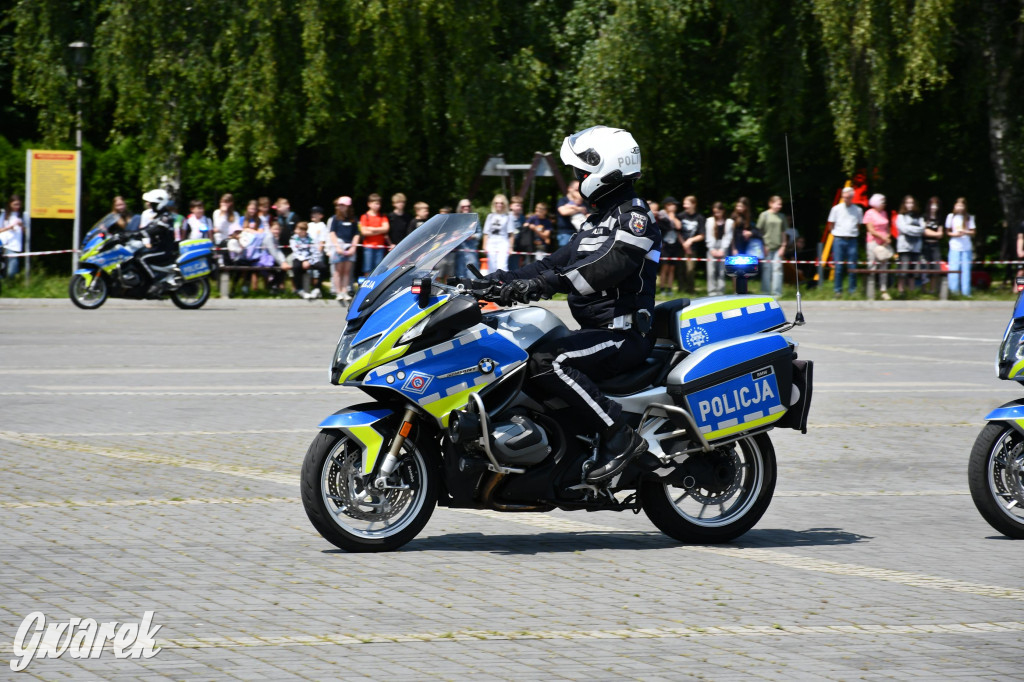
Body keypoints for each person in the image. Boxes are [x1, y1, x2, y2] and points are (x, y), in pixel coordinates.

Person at [464, 125, 660, 484]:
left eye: (582, 170)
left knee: (549, 360)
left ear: (606, 168)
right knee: (520, 354)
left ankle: (618, 435)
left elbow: (604, 268)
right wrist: (491, 283)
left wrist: (539, 286)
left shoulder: (634, 219)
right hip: (595, 332)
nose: (577, 178)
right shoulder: (596, 222)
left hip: (622, 334)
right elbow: (550, 265)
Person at [827, 186, 863, 298]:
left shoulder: (858, 210)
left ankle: (852, 291)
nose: (846, 199)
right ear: (842, 197)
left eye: (848, 197)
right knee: (838, 267)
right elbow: (830, 224)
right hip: (839, 239)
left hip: (852, 239)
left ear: (852, 197)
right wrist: (836, 233)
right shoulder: (836, 209)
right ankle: (838, 291)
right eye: (844, 197)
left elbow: (859, 225)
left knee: (852, 266)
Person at [756, 196, 789, 298]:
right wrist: (763, 245)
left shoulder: (782, 216)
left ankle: (777, 293)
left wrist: (783, 245)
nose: (780, 206)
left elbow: (784, 232)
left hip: (778, 247)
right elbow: (758, 232)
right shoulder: (764, 215)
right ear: (770, 203)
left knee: (778, 270)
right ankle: (765, 293)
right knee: (766, 269)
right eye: (778, 204)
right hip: (766, 247)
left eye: (780, 204)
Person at [327, 196, 359, 303]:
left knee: (346, 271)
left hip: (350, 246)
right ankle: (338, 292)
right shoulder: (335, 218)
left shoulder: (354, 219)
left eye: (343, 205)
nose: (340, 207)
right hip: (339, 245)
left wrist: (353, 247)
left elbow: (356, 234)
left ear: (348, 206)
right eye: (339, 205)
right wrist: (337, 246)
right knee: (338, 271)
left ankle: (345, 291)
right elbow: (332, 233)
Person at [864, 194, 894, 300]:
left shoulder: (884, 213)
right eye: (882, 202)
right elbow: (871, 230)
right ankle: (870, 292)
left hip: (883, 243)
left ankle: (883, 290)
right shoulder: (869, 213)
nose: (884, 204)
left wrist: (888, 237)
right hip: (873, 242)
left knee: (884, 267)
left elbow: (888, 228)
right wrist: (883, 237)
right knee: (872, 266)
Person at [946, 197, 976, 296]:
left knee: (966, 270)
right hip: (954, 246)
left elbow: (973, 232)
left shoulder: (969, 217)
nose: (959, 207)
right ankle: (953, 292)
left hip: (966, 247)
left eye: (961, 205)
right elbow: (948, 232)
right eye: (958, 205)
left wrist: (965, 232)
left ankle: (966, 292)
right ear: (955, 206)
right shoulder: (951, 216)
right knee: (954, 269)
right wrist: (955, 234)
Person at [895, 195, 925, 295]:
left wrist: (910, 229)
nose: (910, 205)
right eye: (907, 202)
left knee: (913, 272)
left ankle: (912, 292)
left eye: (912, 202)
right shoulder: (900, 216)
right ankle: (901, 291)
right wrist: (914, 230)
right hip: (904, 248)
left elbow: (922, 229)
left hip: (916, 248)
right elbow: (903, 229)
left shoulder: (919, 217)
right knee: (903, 271)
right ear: (904, 204)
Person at [512, 202, 553, 269]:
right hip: (529, 245)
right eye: (536, 210)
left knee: (538, 261)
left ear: (545, 211)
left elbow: (546, 235)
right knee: (527, 263)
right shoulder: (532, 218)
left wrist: (535, 229)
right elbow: (525, 227)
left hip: (540, 246)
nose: (537, 212)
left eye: (540, 210)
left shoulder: (547, 222)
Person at [705, 201, 734, 296]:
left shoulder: (729, 222)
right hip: (712, 247)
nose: (716, 214)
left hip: (723, 247)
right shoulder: (709, 221)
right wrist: (712, 249)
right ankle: (712, 292)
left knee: (722, 271)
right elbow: (708, 235)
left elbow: (728, 237)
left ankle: (721, 291)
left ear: (723, 211)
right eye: (715, 212)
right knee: (711, 271)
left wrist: (722, 250)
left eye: (718, 212)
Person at [677, 196, 704, 294]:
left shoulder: (699, 218)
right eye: (684, 204)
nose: (685, 206)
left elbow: (702, 235)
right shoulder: (680, 216)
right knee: (680, 270)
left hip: (692, 249)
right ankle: (681, 290)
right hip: (681, 247)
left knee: (690, 270)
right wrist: (684, 244)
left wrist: (690, 241)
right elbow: (677, 232)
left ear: (694, 204)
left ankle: (691, 290)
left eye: (687, 204)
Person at [290, 221, 323, 298]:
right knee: (296, 267)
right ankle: (299, 289)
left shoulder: (311, 239)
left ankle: (317, 288)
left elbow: (315, 251)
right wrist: (304, 260)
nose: (296, 231)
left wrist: (309, 261)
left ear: (304, 231)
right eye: (296, 229)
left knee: (323, 267)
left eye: (298, 229)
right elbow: (296, 251)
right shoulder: (293, 238)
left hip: (310, 259)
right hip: (299, 258)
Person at [482, 194, 514, 274]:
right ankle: (492, 285)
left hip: (503, 242)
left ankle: (503, 284)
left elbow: (511, 234)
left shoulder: (508, 216)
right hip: (491, 242)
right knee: (491, 266)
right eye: (496, 203)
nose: (499, 205)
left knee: (502, 266)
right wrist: (484, 246)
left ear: (504, 204)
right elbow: (486, 233)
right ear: (494, 204)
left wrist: (510, 247)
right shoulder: (490, 216)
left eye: (501, 203)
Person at [359, 193, 390, 275]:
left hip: (380, 246)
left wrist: (371, 229)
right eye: (376, 203)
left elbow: (386, 228)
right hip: (368, 247)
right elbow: (364, 232)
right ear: (369, 204)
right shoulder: (364, 216)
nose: (378, 206)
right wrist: (380, 230)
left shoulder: (383, 216)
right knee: (367, 269)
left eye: (379, 203)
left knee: (379, 269)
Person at [657, 196, 681, 297]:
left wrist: (673, 216)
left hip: (674, 244)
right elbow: (668, 227)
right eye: (673, 205)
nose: (675, 207)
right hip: (665, 245)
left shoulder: (675, 216)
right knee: (665, 267)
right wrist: (671, 216)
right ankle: (662, 288)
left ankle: (670, 288)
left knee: (672, 268)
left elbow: (679, 226)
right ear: (667, 206)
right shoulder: (661, 216)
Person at [555, 180, 587, 248]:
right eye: (576, 190)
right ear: (569, 189)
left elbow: (587, 214)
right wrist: (579, 209)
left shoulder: (582, 202)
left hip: (579, 233)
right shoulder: (563, 200)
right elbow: (563, 212)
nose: (579, 192)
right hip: (566, 233)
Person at [922, 197, 944, 293]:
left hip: (935, 246)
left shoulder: (939, 219)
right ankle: (924, 289)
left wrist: (931, 232)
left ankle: (932, 290)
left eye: (936, 205)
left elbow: (941, 234)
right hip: (925, 245)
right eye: (932, 204)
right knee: (924, 267)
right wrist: (935, 234)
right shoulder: (924, 217)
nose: (934, 207)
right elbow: (924, 232)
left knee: (935, 268)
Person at [0, 195, 25, 278]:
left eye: (19, 204)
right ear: (10, 204)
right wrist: (9, 227)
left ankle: (8, 285)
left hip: (14, 246)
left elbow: (25, 232)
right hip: (3, 244)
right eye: (15, 204)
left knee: (12, 271)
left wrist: (21, 225)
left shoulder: (22, 215)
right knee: (3, 269)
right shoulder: (4, 215)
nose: (17, 207)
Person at [453, 198, 478, 278]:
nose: (466, 208)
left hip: (471, 250)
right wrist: (456, 235)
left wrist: (473, 236)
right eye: (463, 206)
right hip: (459, 250)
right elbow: (452, 234)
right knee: (460, 273)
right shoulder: (456, 219)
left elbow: (480, 234)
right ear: (460, 207)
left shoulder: (475, 217)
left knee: (472, 273)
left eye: (468, 206)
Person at [307, 206, 330, 292]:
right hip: (308, 253)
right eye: (312, 213)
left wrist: (318, 254)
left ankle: (317, 289)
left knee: (316, 274)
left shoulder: (322, 226)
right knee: (309, 273)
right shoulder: (309, 225)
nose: (313, 215)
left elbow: (322, 241)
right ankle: (309, 289)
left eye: (315, 213)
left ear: (321, 215)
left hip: (317, 254)